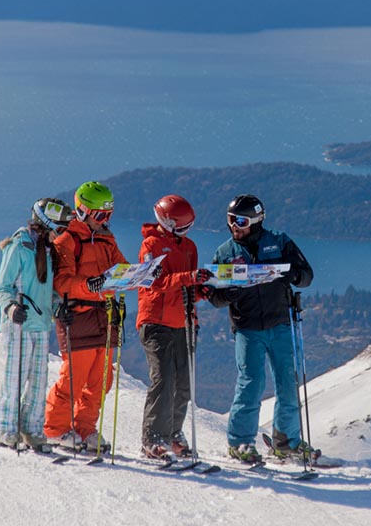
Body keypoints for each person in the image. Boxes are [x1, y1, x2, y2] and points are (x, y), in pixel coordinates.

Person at [202, 194, 314, 463]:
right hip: (248, 328)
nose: (234, 227)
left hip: (281, 323)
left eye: (240, 221)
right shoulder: (226, 252)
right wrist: (231, 293)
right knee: (251, 383)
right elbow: (215, 298)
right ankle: (240, 442)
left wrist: (290, 274)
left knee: (288, 382)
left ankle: (286, 442)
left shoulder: (278, 241)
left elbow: (306, 275)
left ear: (256, 220)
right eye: (230, 220)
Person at [43, 181, 128, 451]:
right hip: (77, 315)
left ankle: (84, 428)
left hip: (104, 315)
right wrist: (87, 284)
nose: (105, 221)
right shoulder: (67, 240)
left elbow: (121, 268)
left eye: (109, 215)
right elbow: (62, 282)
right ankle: (55, 429)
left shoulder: (106, 239)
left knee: (101, 379)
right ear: (82, 210)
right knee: (74, 378)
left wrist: (139, 275)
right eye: (100, 215)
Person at [0, 197, 74, 450]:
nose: (62, 231)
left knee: (38, 382)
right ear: (47, 222)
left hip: (40, 325)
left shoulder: (48, 251)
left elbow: (48, 291)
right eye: (59, 227)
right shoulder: (18, 247)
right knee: (14, 380)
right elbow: (2, 288)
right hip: (18, 324)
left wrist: (59, 307)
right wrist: (11, 307)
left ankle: (32, 428)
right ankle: (6, 428)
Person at [137, 194, 213, 458]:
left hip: (183, 320)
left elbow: (185, 288)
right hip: (156, 320)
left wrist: (201, 289)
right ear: (167, 222)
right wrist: (189, 277)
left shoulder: (189, 247)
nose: (186, 232)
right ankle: (153, 438)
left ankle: (173, 432)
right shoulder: (151, 245)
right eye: (181, 227)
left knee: (184, 382)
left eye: (188, 227)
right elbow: (154, 282)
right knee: (164, 379)